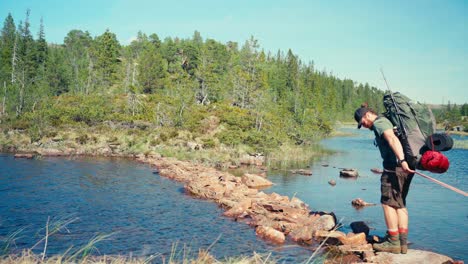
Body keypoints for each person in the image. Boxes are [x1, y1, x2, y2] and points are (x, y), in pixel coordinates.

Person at [354, 105, 415, 254]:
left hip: (394, 169)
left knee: (388, 204)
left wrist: (401, 161)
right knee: (400, 204)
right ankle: (402, 243)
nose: (364, 125)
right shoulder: (386, 121)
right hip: (403, 170)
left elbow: (392, 139)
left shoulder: (379, 123)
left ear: (367, 115)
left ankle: (393, 242)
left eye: (362, 122)